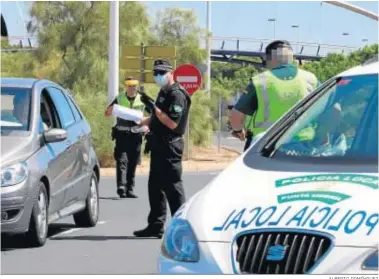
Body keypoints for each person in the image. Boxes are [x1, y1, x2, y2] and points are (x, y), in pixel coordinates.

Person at [133, 60, 191, 238]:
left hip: (170, 145)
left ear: (170, 73)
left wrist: (154, 108)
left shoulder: (177, 94)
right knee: (155, 187)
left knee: (173, 188)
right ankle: (156, 225)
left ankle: (182, 228)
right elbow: (156, 117)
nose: (158, 76)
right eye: (155, 73)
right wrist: (140, 121)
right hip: (158, 144)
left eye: (161, 72)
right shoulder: (163, 91)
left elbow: (172, 122)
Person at [229, 40, 320, 150]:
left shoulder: (260, 81)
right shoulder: (311, 79)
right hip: (304, 147)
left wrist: (238, 130)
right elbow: (334, 108)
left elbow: (236, 115)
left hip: (266, 147)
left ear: (269, 58)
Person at [105, 76, 149, 198]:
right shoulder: (119, 98)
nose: (132, 88)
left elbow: (152, 114)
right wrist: (111, 110)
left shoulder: (142, 99)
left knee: (133, 162)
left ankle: (130, 188)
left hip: (137, 134)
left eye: (134, 86)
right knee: (122, 160)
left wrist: (147, 126)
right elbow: (107, 112)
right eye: (130, 86)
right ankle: (121, 186)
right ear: (126, 86)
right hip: (122, 133)